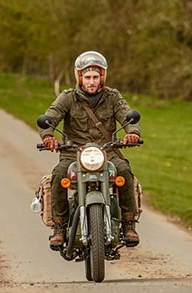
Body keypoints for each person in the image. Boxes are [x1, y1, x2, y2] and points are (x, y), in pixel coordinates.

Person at [38, 50, 141, 250]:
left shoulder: (113, 97)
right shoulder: (67, 97)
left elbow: (126, 115)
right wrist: (48, 136)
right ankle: (59, 228)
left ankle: (129, 224)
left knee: (124, 171)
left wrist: (132, 133)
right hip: (73, 152)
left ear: (102, 77)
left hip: (107, 152)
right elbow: (50, 117)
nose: (91, 82)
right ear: (80, 77)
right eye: (87, 77)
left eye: (95, 77)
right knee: (59, 174)